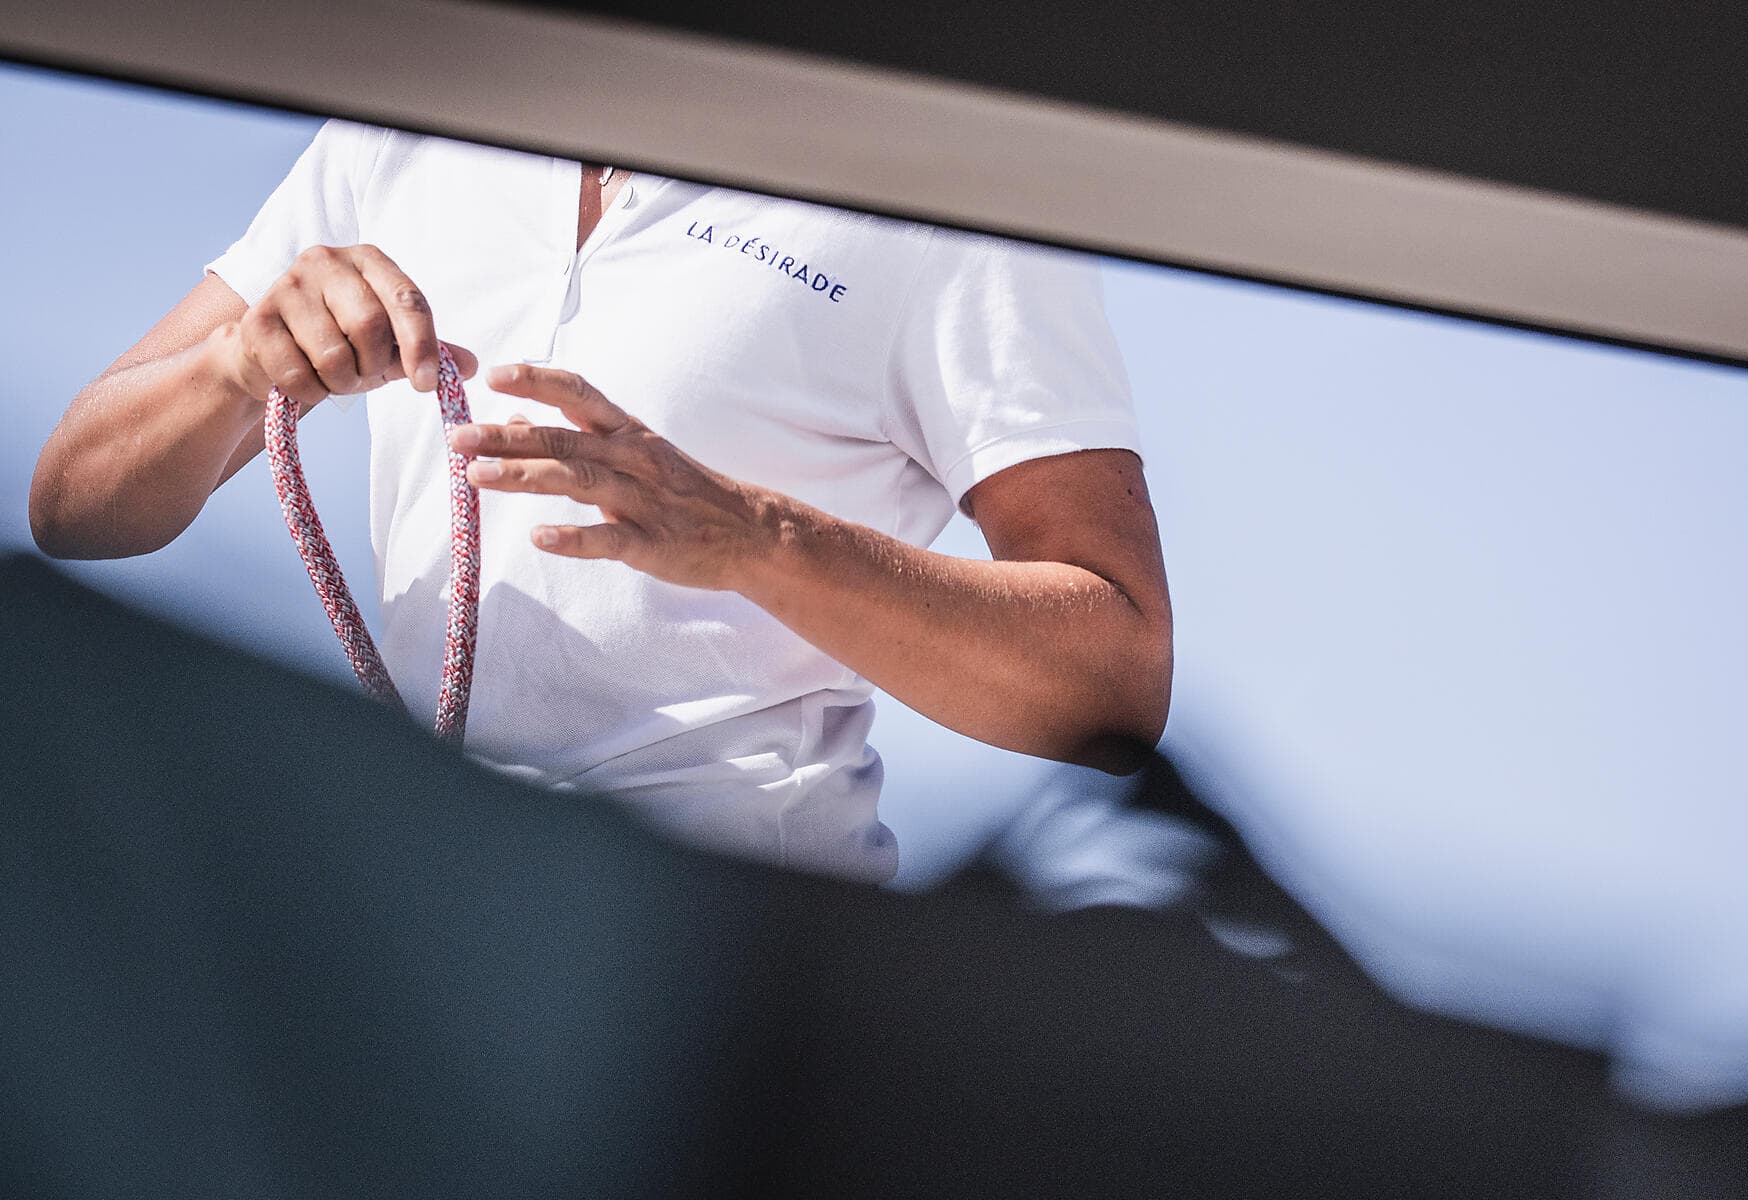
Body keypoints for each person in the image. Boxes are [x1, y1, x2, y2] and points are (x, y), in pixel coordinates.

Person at [28, 120, 1172, 882]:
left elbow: (1113, 680)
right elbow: (73, 504)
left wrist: (754, 538)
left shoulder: (936, 189)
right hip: (422, 917)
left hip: (730, 954)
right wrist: (240, 363)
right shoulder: (418, 108)